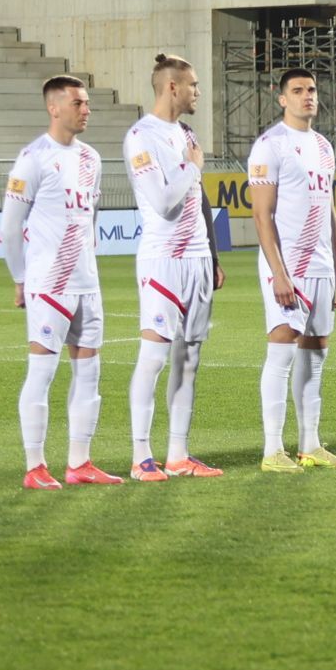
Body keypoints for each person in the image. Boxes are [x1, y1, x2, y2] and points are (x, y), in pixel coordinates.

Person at [1, 75, 117, 487]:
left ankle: (79, 463)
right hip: (49, 283)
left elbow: (93, 216)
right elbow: (10, 228)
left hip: (87, 281)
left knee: (89, 373)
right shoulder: (33, 158)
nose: (86, 110)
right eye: (78, 103)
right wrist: (20, 278)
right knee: (43, 371)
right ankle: (35, 467)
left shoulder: (92, 159)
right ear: (54, 107)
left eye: (87, 103)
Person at [122, 53, 225, 479]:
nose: (198, 91)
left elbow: (198, 199)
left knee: (189, 359)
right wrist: (192, 165)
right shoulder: (140, 136)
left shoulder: (186, 132)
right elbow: (164, 203)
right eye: (193, 84)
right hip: (164, 260)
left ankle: (178, 455)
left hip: (197, 259)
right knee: (154, 357)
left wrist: (214, 255)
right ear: (172, 87)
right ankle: (141, 456)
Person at [249, 68, 336, 470]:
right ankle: (272, 450)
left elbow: (329, 211)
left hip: (323, 267)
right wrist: (278, 272)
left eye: (311, 89)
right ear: (282, 99)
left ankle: (310, 445)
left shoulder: (323, 146)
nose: (307, 96)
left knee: (315, 356)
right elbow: (262, 214)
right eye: (297, 91)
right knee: (281, 352)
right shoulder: (269, 146)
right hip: (288, 266)